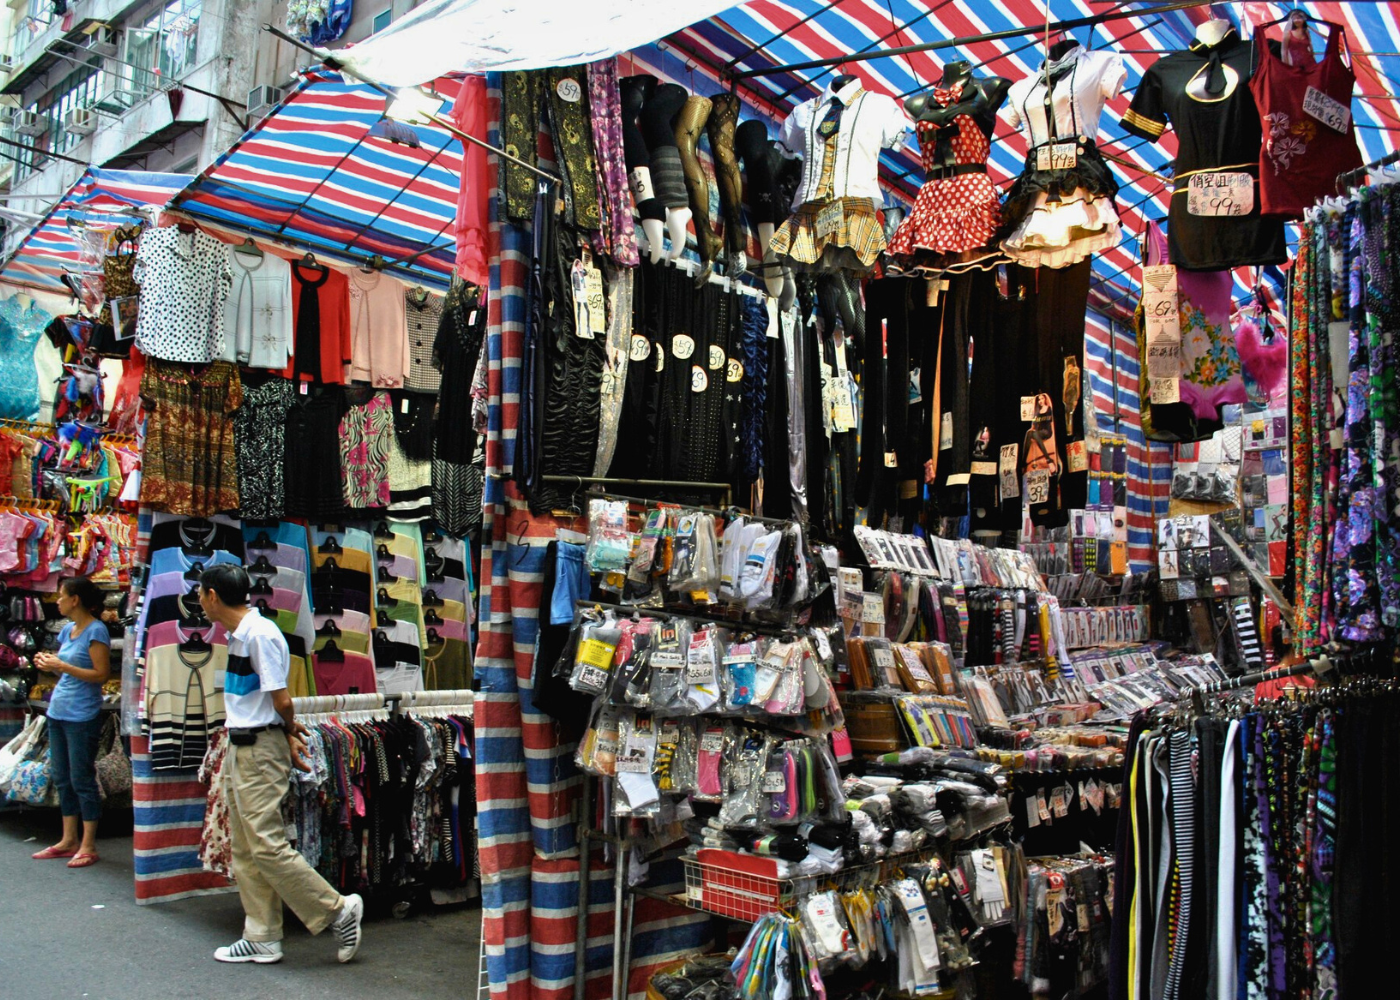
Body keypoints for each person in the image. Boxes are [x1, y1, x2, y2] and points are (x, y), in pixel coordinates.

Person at [198, 564, 363, 965]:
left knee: (266, 844)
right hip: (244, 745)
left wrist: (288, 730)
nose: (199, 602)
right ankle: (262, 935)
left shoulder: (260, 634)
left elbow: (282, 699)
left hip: (258, 748)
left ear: (213, 596)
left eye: (201, 594)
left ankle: (337, 909)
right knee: (246, 846)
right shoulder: (241, 635)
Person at [31, 577, 112, 868]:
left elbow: (101, 675)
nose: (58, 600)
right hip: (59, 710)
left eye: (61, 596)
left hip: (82, 714)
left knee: (81, 778)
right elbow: (67, 673)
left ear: (75, 599)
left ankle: (88, 844)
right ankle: (68, 839)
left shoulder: (96, 631)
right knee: (62, 777)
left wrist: (62, 665)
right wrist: (51, 666)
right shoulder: (67, 630)